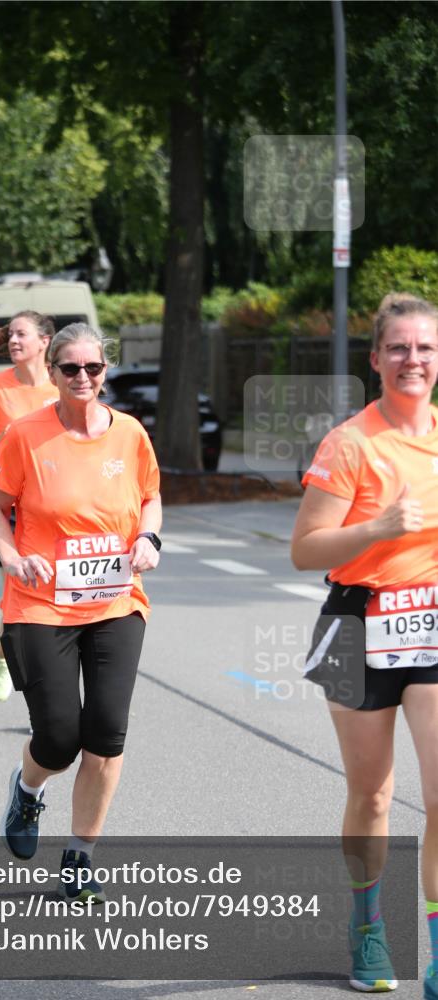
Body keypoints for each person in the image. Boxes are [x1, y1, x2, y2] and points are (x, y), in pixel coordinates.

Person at [0, 322, 162, 901]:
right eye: (71, 369)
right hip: (38, 604)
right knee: (58, 737)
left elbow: (152, 496)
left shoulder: (130, 433)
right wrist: (9, 554)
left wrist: (149, 540)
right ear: (53, 373)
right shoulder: (25, 436)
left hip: (115, 601)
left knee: (106, 733)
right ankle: (28, 790)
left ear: (105, 370)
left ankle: (81, 853)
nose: (84, 378)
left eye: (94, 368)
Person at [291, 293, 438, 996]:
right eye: (400, 348)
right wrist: (376, 529)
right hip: (357, 624)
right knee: (373, 796)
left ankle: (436, 949)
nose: (413, 360)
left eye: (425, 348)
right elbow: (303, 549)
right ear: (376, 358)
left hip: (430, 623)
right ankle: (367, 922)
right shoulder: (350, 442)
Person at [0, 311, 58, 702]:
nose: (14, 341)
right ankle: (19, 669)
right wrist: (3, 437)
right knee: (22, 608)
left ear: (44, 341)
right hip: (8, 508)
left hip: (55, 506)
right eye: (11, 335)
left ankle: (4, 651)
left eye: (22, 334)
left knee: (55, 601)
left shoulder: (62, 383)